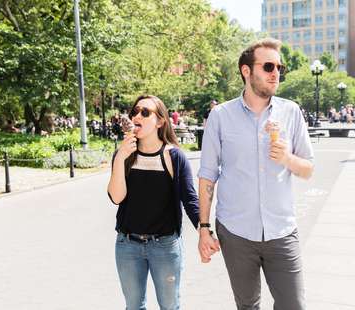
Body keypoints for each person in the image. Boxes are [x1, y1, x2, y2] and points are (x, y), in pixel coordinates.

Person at [197, 38, 314, 310]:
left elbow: (308, 169)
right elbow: (207, 175)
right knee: (247, 306)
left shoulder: (291, 112)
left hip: (281, 230)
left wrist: (287, 158)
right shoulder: (221, 116)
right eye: (269, 66)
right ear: (246, 71)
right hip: (236, 232)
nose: (276, 73)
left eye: (279, 68)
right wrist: (204, 229)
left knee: (294, 305)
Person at [107, 95, 199, 310]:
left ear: (160, 121)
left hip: (165, 246)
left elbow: (190, 200)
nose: (137, 116)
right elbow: (116, 197)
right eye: (135, 111)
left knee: (170, 306)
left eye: (145, 112)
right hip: (128, 245)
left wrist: (206, 231)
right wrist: (120, 158)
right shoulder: (124, 155)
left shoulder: (174, 156)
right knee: (134, 306)